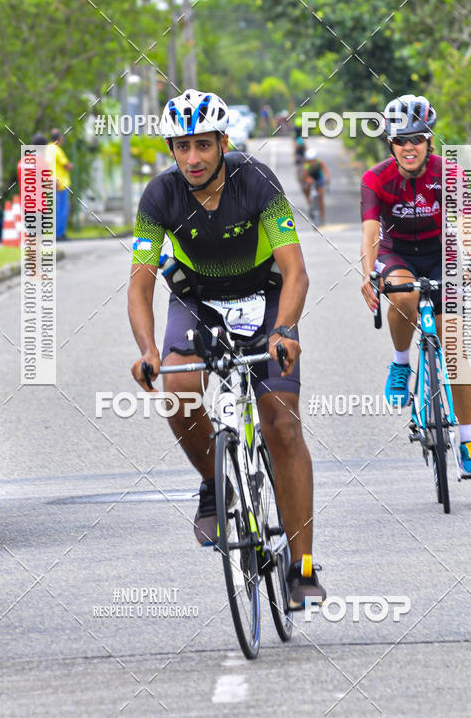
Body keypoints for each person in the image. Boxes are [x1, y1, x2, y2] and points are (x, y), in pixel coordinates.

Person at [127, 88, 326, 609]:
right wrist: (148, 349)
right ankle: (215, 486)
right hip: (198, 304)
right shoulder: (159, 196)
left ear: (222, 143)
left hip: (265, 301)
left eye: (203, 146)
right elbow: (140, 286)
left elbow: (296, 272)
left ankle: (303, 566)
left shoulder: (256, 181)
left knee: (282, 424)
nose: (192, 159)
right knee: (178, 383)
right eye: (181, 147)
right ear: (171, 149)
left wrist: (285, 330)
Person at [359, 94, 471, 478]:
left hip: (440, 251)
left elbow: (466, 227)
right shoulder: (375, 179)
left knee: (457, 348)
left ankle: (467, 439)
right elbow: (369, 231)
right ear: (390, 143)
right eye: (401, 140)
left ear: (429, 140)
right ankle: (401, 363)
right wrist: (369, 272)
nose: (409, 147)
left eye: (416, 138)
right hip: (396, 252)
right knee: (404, 293)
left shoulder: (452, 173)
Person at [48, 129, 72, 240]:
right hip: (60, 184)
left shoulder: (47, 149)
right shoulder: (57, 150)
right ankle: (59, 234)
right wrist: (70, 165)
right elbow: (66, 165)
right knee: (62, 209)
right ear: (60, 139)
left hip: (49, 183)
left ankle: (55, 233)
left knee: (55, 208)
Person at [301, 149, 330, 223]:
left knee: (321, 196)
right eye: (310, 161)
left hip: (319, 178)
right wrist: (308, 180)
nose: (312, 162)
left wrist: (327, 178)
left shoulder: (319, 163)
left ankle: (322, 216)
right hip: (310, 178)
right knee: (306, 186)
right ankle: (308, 198)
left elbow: (326, 171)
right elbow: (304, 177)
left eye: (313, 160)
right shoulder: (306, 166)